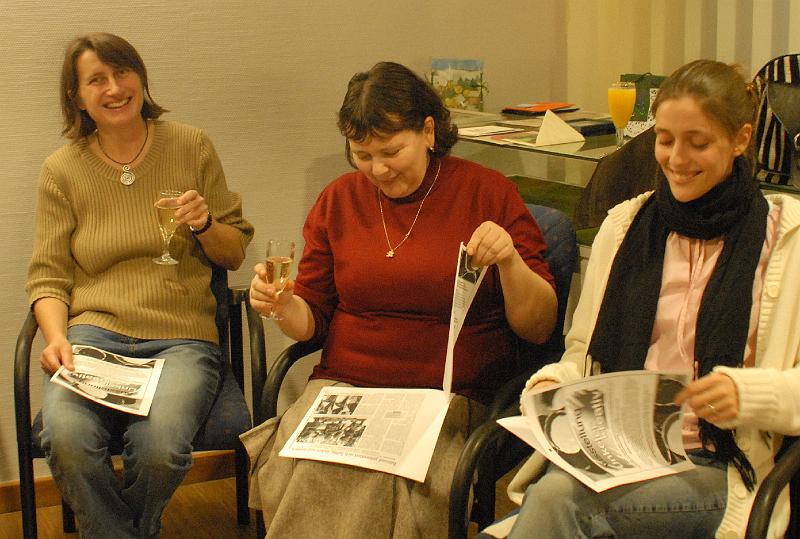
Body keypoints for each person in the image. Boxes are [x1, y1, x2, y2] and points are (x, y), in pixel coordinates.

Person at [244, 61, 557, 537]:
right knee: (314, 465)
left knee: (384, 476)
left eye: (391, 151)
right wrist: (284, 304)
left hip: (446, 394)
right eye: (362, 155)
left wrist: (511, 262)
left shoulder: (486, 193)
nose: (379, 169)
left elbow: (539, 327)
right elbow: (313, 318)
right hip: (346, 388)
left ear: (429, 132)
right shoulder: (339, 200)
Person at [493, 59, 800, 539]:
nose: (677, 158)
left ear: (741, 140)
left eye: (698, 143)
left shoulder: (787, 240)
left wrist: (748, 393)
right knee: (560, 499)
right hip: (614, 451)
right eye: (665, 139)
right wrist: (551, 385)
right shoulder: (626, 227)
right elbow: (582, 356)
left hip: (716, 464)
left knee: (559, 502)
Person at [26, 32, 253, 538]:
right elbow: (48, 275)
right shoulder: (62, 171)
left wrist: (204, 224)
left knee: (158, 446)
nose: (113, 88)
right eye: (96, 79)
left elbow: (234, 252)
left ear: (141, 78)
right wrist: (57, 338)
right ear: (76, 95)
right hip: (94, 337)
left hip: (181, 337)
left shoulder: (190, 144)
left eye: (122, 73)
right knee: (63, 434)